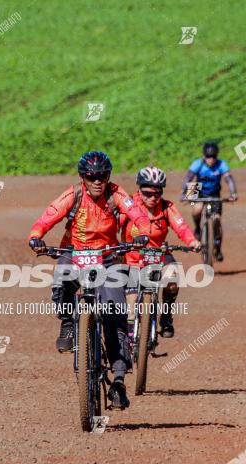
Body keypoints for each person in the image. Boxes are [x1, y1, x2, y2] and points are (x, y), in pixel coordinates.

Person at [28, 151, 149, 410]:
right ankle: (68, 324)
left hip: (108, 256)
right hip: (74, 252)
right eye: (91, 177)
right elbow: (48, 216)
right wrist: (36, 236)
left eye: (102, 176)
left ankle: (118, 380)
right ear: (83, 177)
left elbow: (138, 216)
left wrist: (141, 234)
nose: (97, 181)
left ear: (108, 177)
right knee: (62, 276)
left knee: (115, 315)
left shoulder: (117, 194)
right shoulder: (74, 195)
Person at [121, 166, 201, 338]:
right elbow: (113, 224)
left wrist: (192, 241)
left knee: (173, 280)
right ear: (139, 189)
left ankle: (166, 317)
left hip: (158, 253)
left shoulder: (166, 207)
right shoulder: (129, 205)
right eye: (147, 193)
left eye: (157, 193)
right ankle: (129, 338)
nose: (153, 198)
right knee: (131, 305)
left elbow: (181, 226)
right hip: (132, 258)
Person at [181, 141, 238, 262]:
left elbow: (229, 179)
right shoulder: (198, 164)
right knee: (196, 209)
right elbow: (188, 178)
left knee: (217, 219)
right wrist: (184, 194)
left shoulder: (221, 164)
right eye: (208, 157)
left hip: (214, 193)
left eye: (213, 157)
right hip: (198, 189)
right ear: (203, 156)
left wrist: (233, 193)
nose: (211, 159)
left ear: (217, 156)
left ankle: (217, 247)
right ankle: (197, 228)